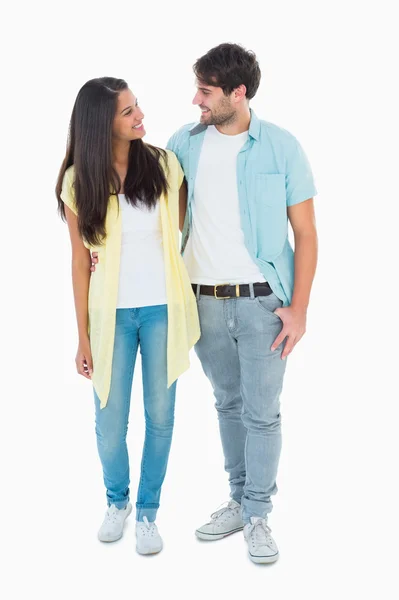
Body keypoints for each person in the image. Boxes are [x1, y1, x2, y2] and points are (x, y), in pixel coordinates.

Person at [92, 43, 318, 564]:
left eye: (206, 91)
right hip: (202, 303)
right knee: (228, 405)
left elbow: (305, 233)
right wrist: (102, 251)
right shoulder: (181, 145)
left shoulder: (282, 147)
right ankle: (239, 499)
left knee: (263, 414)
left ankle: (259, 514)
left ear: (237, 94)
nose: (196, 100)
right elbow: (146, 205)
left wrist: (299, 308)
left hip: (265, 303)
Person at [56, 77, 200, 556]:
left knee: (161, 417)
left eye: (137, 106)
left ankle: (147, 513)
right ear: (102, 124)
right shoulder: (79, 181)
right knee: (110, 421)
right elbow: (81, 262)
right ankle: (116, 502)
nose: (140, 116)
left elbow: (181, 228)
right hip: (110, 317)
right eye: (127, 112)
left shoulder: (163, 164)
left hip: (162, 309)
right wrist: (82, 334)